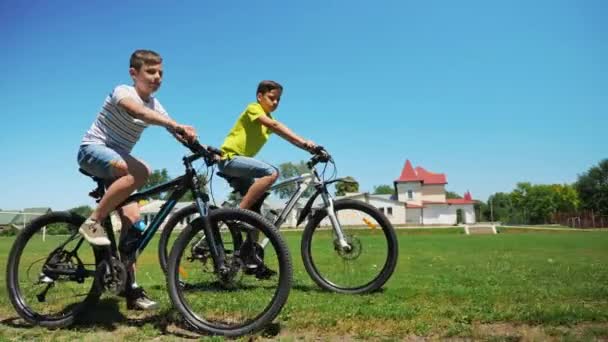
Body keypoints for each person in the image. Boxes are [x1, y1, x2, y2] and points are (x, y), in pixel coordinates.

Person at [77, 49, 196, 310]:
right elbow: (138, 112)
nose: (157, 78)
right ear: (134, 73)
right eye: (151, 72)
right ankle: (93, 221)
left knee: (134, 226)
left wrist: (201, 146)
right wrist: (175, 125)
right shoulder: (123, 91)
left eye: (161, 73)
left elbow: (170, 126)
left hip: (117, 163)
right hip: (92, 151)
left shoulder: (156, 106)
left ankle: (129, 289)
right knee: (141, 171)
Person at [219, 80, 317, 278]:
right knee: (271, 172)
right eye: (272, 98)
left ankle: (249, 261)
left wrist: (307, 147)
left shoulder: (268, 120)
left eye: (278, 100)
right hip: (229, 159)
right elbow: (274, 124)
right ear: (259, 96)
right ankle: (239, 214)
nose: (275, 103)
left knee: (257, 218)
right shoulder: (253, 109)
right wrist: (305, 143)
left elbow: (284, 134)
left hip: (241, 169)